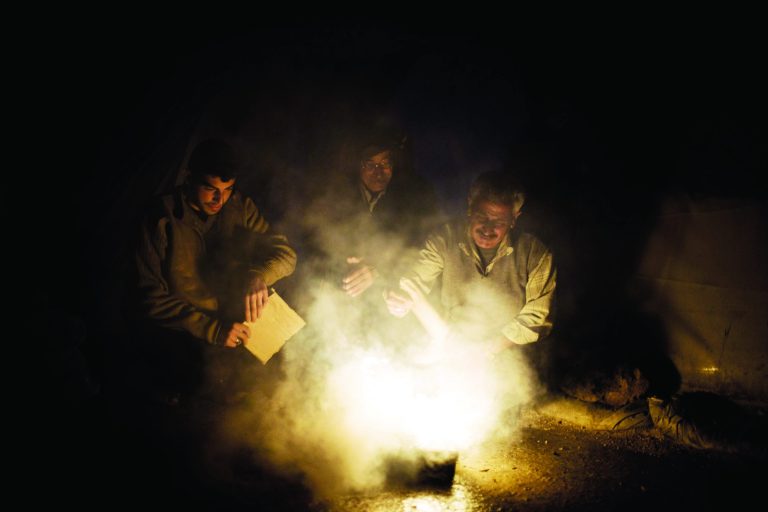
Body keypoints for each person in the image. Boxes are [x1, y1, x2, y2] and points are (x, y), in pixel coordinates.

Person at [133, 138, 297, 400]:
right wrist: (213, 330)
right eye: (210, 189)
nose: (219, 199)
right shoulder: (161, 218)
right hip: (185, 336)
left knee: (284, 384)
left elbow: (287, 256)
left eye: (228, 188)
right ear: (189, 178)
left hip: (238, 327)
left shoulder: (240, 207)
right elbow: (149, 298)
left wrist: (258, 275)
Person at [385, 170, 556, 354]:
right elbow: (414, 280)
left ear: (514, 219)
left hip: (512, 354)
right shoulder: (446, 238)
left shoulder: (535, 254)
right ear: (470, 206)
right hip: (454, 344)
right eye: (482, 216)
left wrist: (485, 350)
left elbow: (536, 317)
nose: (487, 228)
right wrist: (400, 297)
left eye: (498, 221)